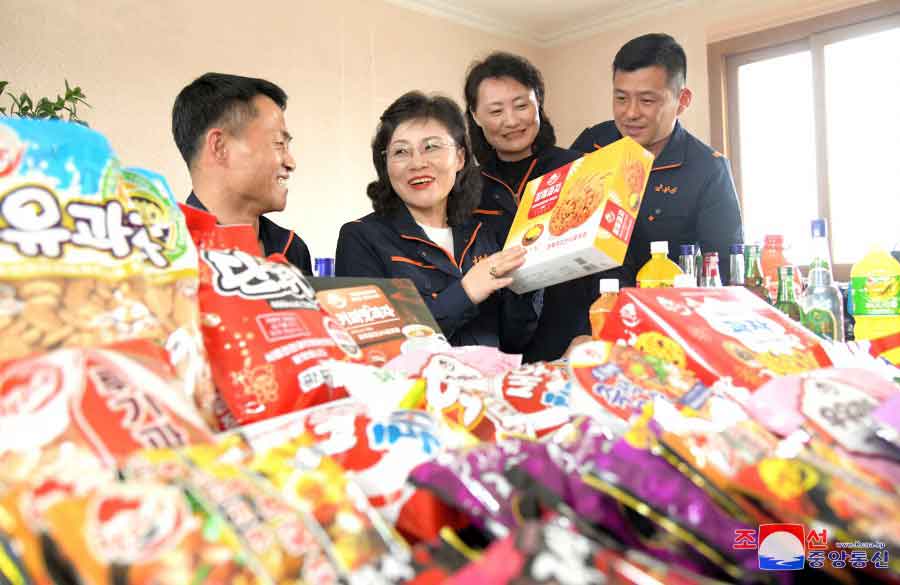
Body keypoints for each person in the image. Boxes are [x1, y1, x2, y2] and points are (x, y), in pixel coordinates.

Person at [335, 91, 537, 352]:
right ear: (385, 165)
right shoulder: (361, 237)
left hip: (490, 379)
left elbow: (514, 340)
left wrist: (529, 281)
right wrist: (466, 292)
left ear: (460, 158)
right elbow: (375, 345)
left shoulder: (483, 234)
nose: (417, 163)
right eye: (401, 151)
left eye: (431, 147)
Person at [570, 33, 743, 284]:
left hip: (661, 304)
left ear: (682, 100)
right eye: (621, 98)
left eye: (647, 100)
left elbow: (725, 269)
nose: (630, 113)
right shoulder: (591, 144)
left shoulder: (708, 169)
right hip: (586, 304)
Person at [464, 51, 600, 363]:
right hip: (493, 352)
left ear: (538, 101)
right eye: (496, 110)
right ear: (475, 116)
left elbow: (613, 262)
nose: (511, 121)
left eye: (521, 105)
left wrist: (589, 331)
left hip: (572, 343)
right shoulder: (466, 189)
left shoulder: (579, 169)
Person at [172, 72, 312, 273]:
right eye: (278, 143)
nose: (291, 163)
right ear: (220, 147)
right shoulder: (164, 252)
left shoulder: (291, 250)